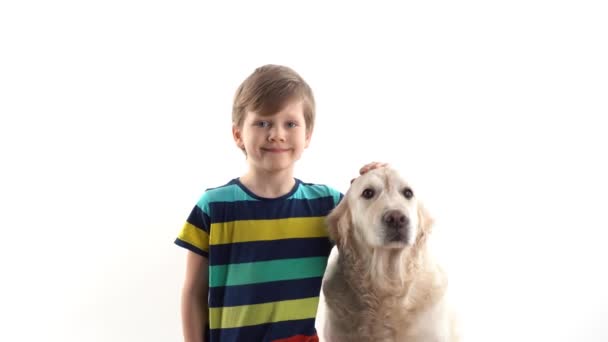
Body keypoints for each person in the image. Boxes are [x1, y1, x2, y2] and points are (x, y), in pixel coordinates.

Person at [174, 64, 386, 342]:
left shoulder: (328, 205)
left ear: (307, 135)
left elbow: (373, 242)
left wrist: (376, 185)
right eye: (262, 123)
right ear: (238, 133)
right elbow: (193, 293)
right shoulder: (214, 207)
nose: (277, 134)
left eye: (290, 124)